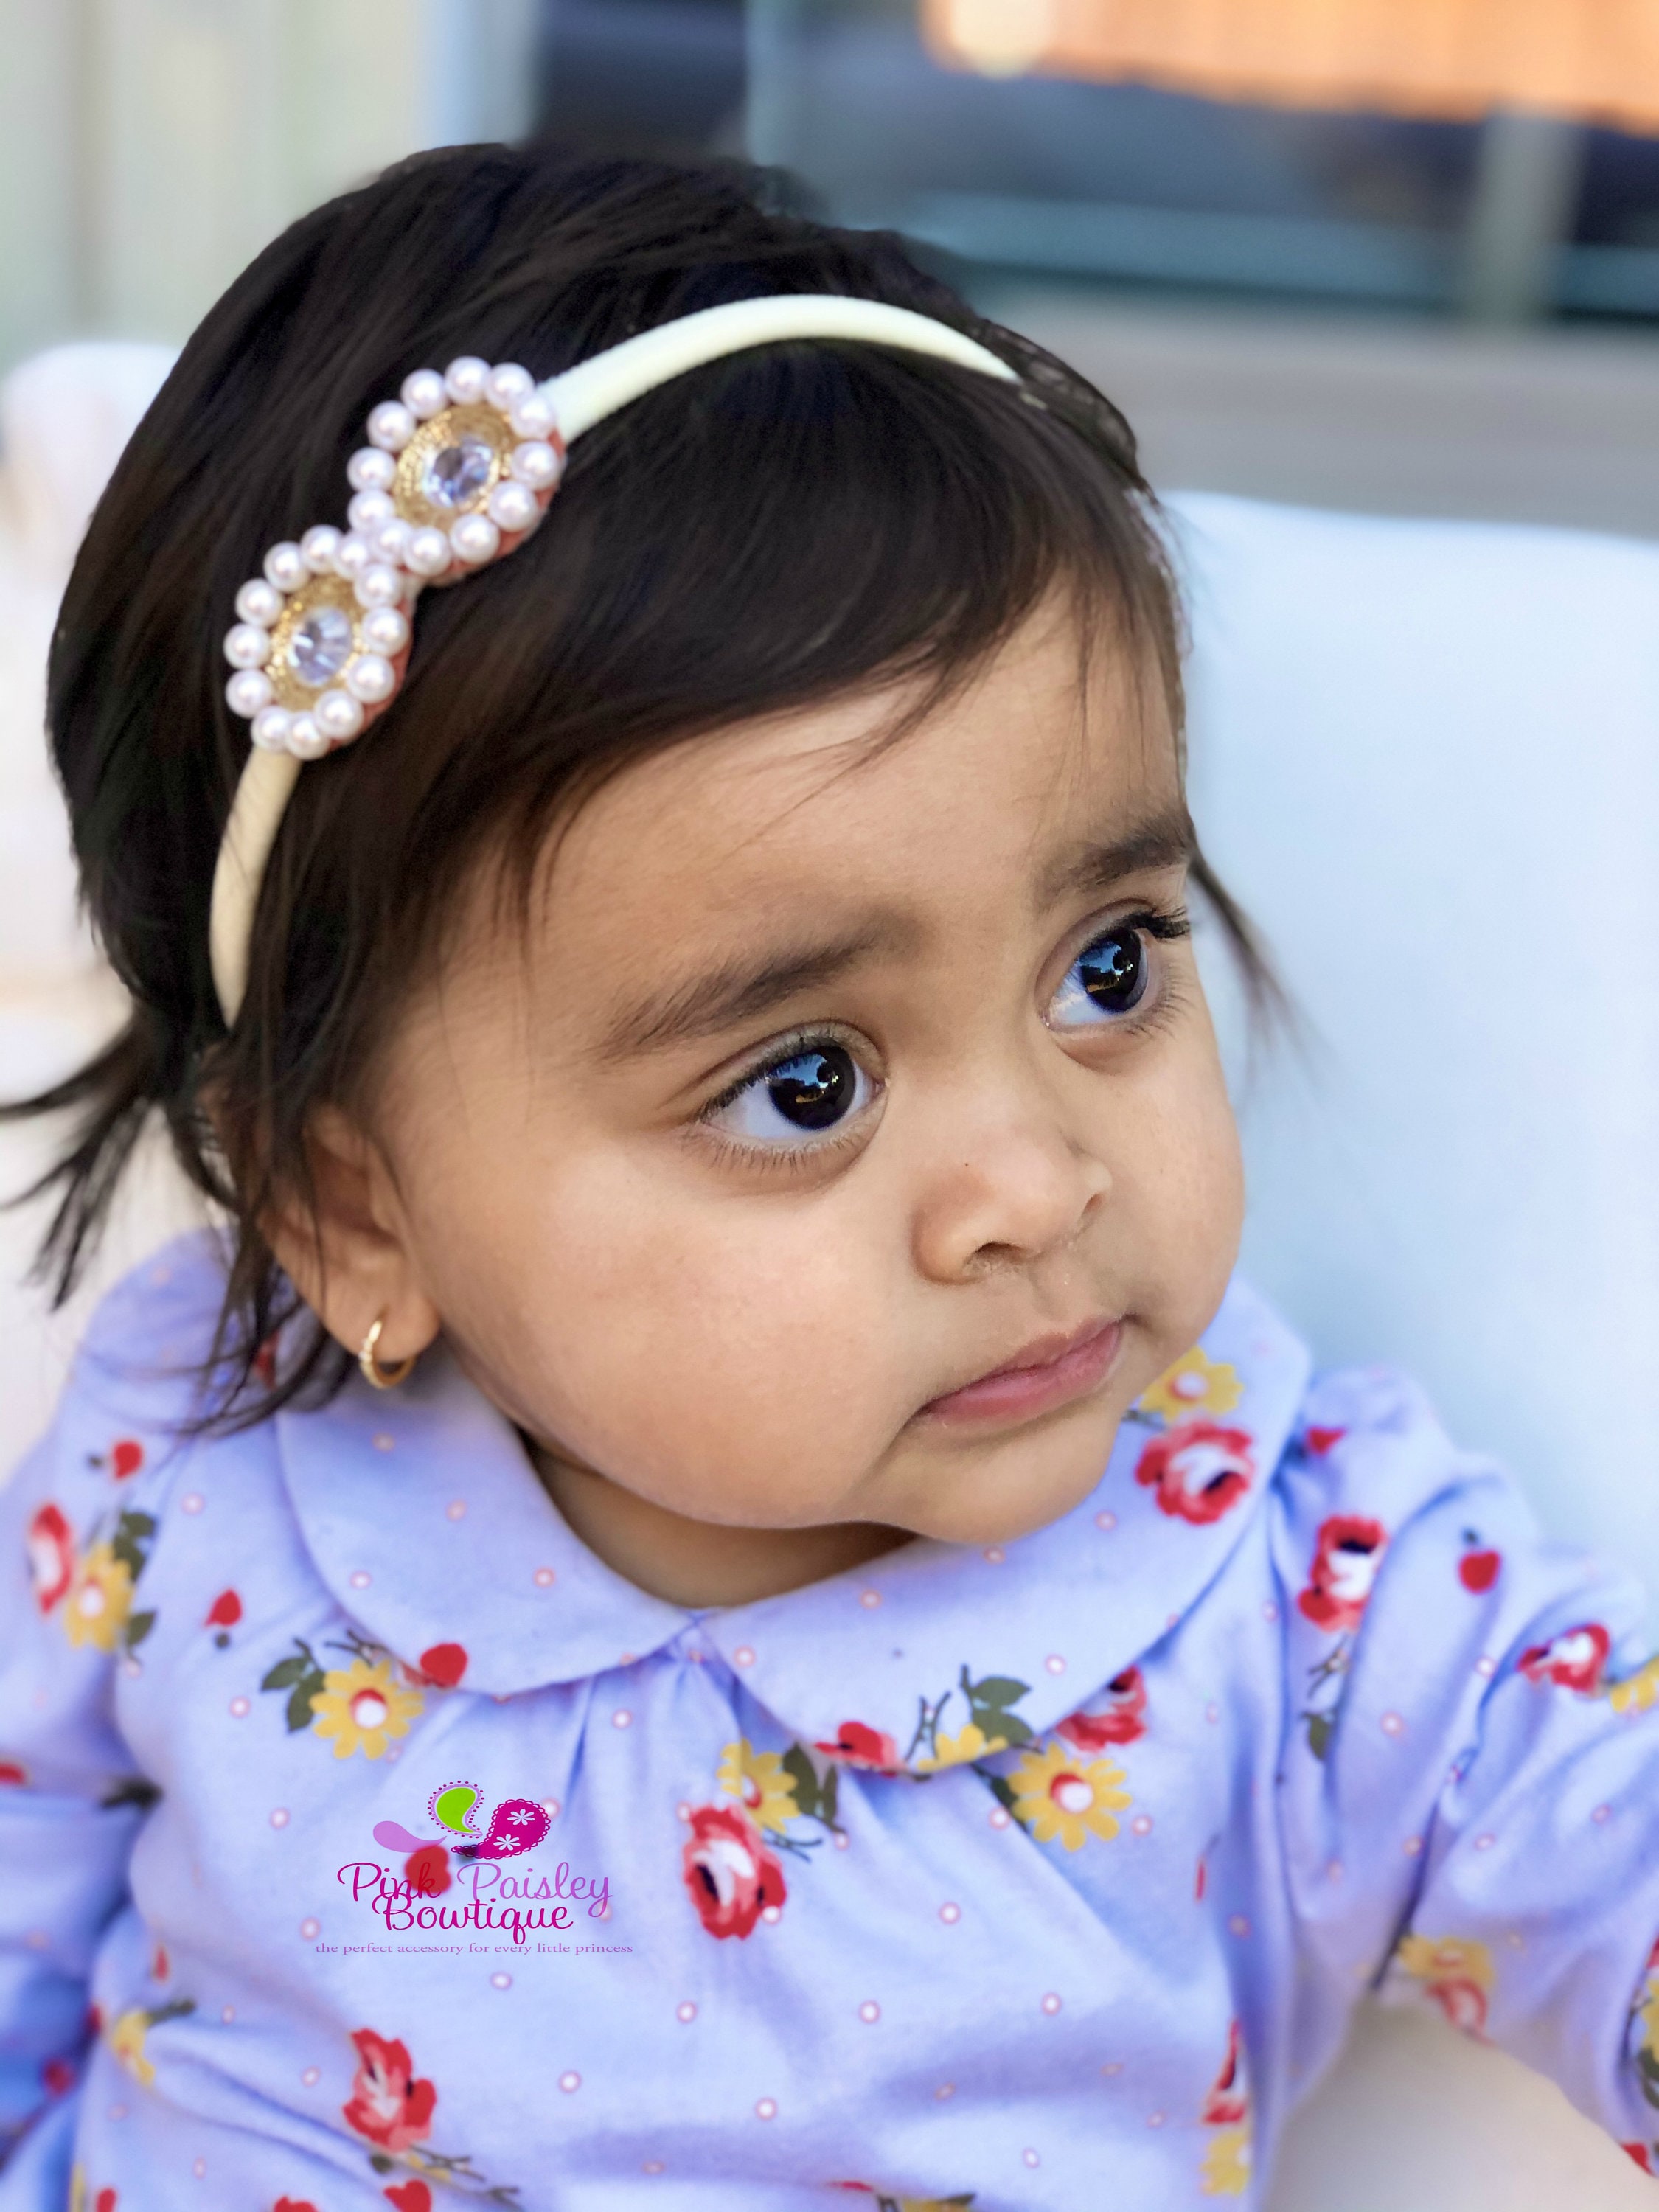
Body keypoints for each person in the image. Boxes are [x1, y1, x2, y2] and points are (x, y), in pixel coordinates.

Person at [1, 142, 1655, 2212]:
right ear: (353, 1213)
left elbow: (1601, 1826)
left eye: (1107, 968)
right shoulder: (196, 1478)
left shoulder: (1295, 1574)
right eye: (804, 1085)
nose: (1034, 1185)